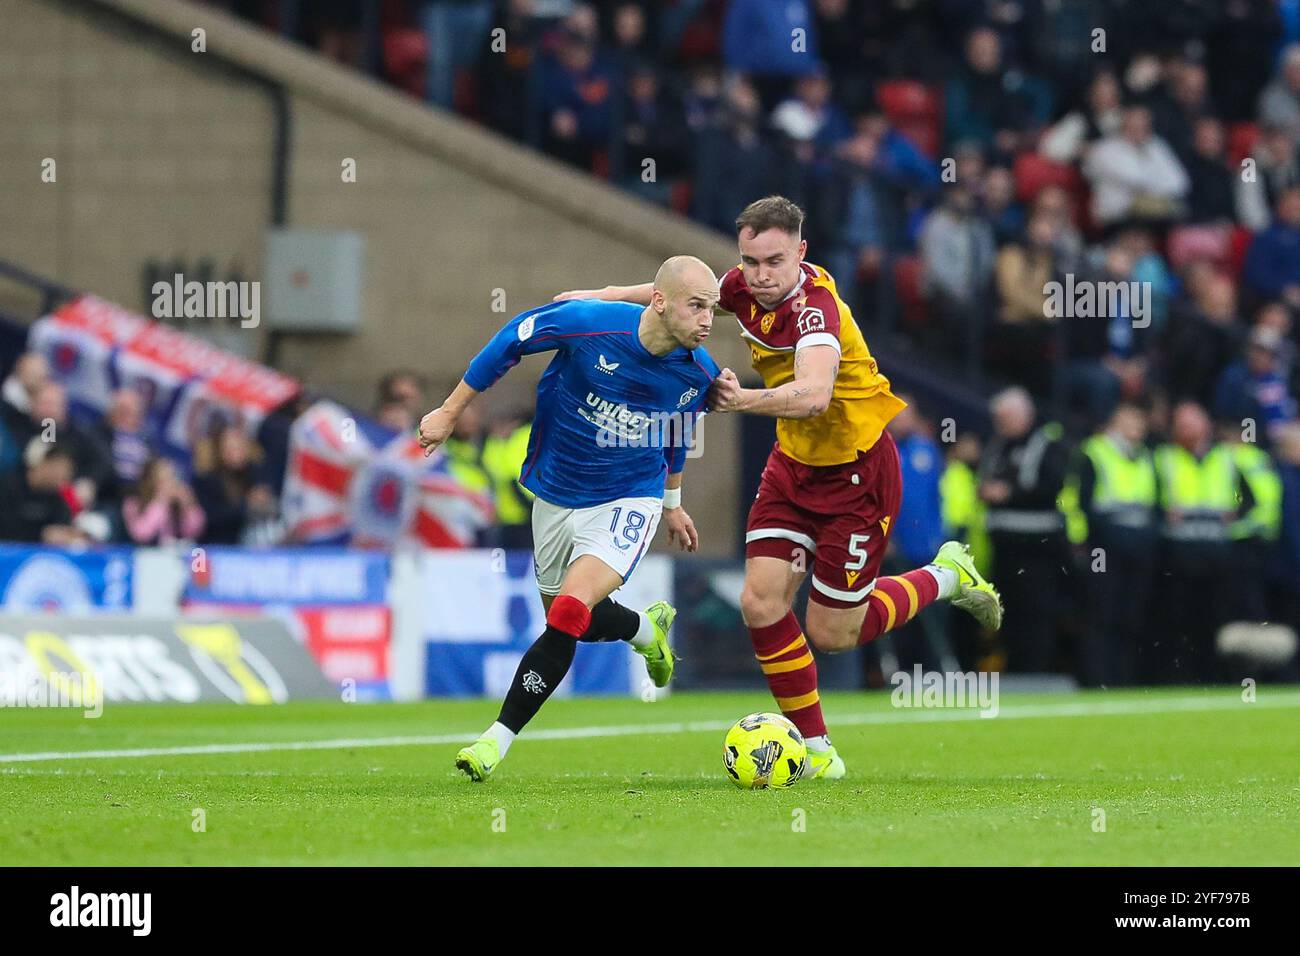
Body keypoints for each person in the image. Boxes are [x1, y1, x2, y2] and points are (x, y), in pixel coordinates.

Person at [555, 197, 1001, 780]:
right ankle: (817, 751)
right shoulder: (742, 285)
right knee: (759, 603)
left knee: (833, 633)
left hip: (857, 476)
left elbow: (814, 395)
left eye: (773, 261)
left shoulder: (816, 312)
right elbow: (680, 294)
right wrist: (604, 298)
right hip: (792, 468)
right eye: (750, 261)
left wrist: (739, 400)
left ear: (801, 253)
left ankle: (946, 578)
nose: (760, 276)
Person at [419, 255, 720, 782]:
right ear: (659, 300)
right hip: (557, 493)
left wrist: (671, 504)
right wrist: (448, 411)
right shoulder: (589, 323)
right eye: (697, 306)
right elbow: (511, 339)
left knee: (568, 613)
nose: (707, 321)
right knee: (570, 617)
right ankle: (645, 629)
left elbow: (677, 433)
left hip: (629, 497)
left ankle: (495, 741)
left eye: (712, 310)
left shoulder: (700, 373)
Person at [977, 387, 1068, 673]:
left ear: (1026, 415)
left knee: (1037, 613)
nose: (1001, 425)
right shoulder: (998, 446)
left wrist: (1008, 493)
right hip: (1003, 549)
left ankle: (1036, 671)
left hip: (1038, 549)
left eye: (1006, 419)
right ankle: (1015, 671)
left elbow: (1052, 487)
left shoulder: (1046, 445)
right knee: (1007, 613)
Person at [122, 456, 206, 545]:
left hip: (177, 552)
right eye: (163, 479)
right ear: (150, 480)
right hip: (145, 554)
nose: (170, 483)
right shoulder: (133, 502)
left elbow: (195, 531)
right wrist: (160, 502)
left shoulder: (177, 502)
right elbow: (142, 534)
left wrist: (188, 505)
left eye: (171, 477)